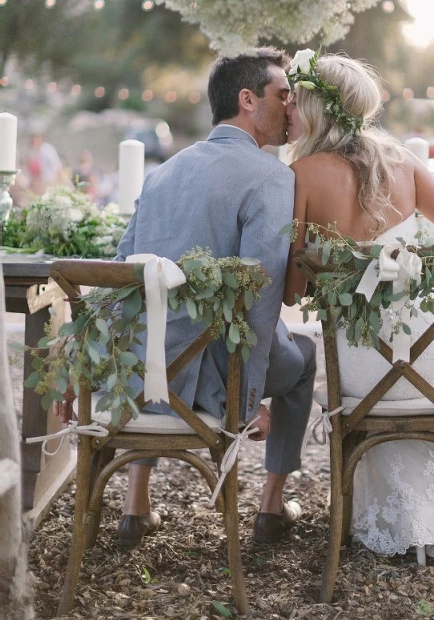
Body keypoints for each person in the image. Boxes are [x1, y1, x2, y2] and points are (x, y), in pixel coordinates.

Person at [283, 50, 434, 614]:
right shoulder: (406, 164)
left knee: (362, 369)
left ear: (316, 110)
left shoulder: (300, 174)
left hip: (364, 363)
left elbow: (295, 290)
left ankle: (404, 522)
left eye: (297, 102)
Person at [56, 47, 316, 548]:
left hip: (142, 373)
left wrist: (83, 369)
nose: (291, 106)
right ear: (247, 99)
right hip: (210, 379)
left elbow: (120, 277)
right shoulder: (273, 177)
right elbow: (258, 300)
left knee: (159, 330)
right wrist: (243, 404)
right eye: (283, 95)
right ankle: (271, 508)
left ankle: (135, 508)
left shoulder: (164, 172)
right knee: (303, 358)